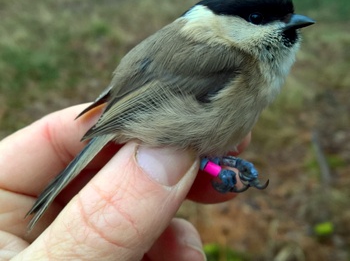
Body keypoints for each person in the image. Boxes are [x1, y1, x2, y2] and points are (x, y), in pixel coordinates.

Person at [0, 104, 250, 260]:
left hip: (140, 116)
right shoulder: (232, 62)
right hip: (145, 120)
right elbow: (179, 144)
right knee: (176, 154)